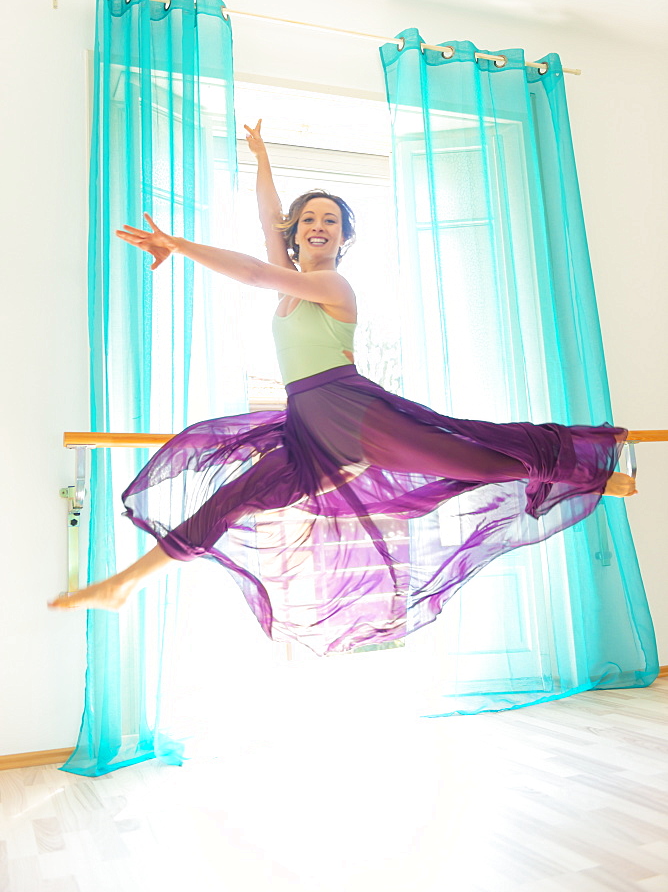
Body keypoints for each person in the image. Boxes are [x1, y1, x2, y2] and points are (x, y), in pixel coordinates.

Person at [50, 120, 635, 655]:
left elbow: (255, 271)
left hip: (355, 416)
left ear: (343, 240)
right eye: (309, 220)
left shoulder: (332, 285)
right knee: (230, 501)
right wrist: (260, 158)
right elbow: (266, 223)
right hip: (307, 431)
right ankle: (123, 586)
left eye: (330, 221)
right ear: (296, 233)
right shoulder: (292, 280)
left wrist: (178, 245)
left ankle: (593, 471)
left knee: (478, 456)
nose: (318, 227)